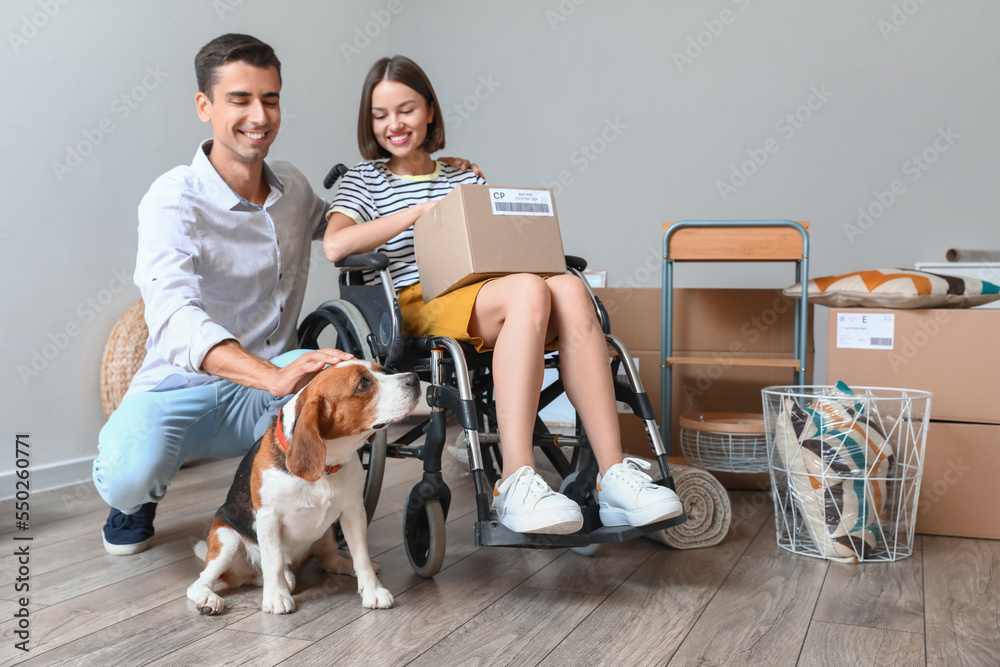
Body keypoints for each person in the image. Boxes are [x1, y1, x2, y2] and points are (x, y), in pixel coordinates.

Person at [92, 35, 476, 555]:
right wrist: (270, 375)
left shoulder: (292, 189)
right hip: (181, 388)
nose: (259, 114)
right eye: (240, 99)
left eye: (270, 99)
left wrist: (421, 171)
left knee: (342, 373)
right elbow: (174, 315)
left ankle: (326, 496)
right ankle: (137, 500)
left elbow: (343, 229)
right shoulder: (172, 198)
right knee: (125, 475)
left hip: (274, 386)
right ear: (204, 106)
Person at [324, 55, 683, 535]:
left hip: (484, 290)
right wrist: (417, 214)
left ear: (430, 111)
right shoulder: (364, 181)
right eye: (380, 114)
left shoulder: (464, 178)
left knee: (571, 289)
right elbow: (336, 245)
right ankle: (515, 480)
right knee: (528, 291)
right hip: (415, 298)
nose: (394, 125)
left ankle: (614, 475)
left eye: (406, 110)